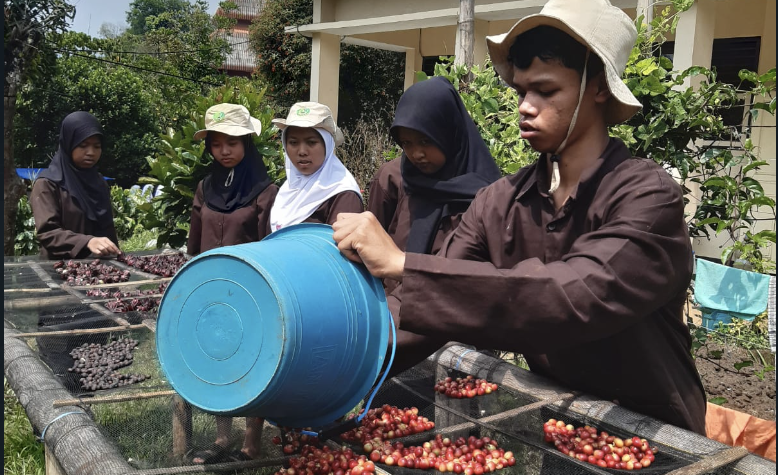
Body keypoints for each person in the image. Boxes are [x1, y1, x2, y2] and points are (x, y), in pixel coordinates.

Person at [333, 0, 707, 436]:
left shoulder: (646, 196)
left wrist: (401, 263)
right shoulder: (500, 202)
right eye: (521, 92)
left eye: (546, 92)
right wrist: (326, 366)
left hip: (656, 436)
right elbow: (425, 306)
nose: (526, 107)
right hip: (566, 425)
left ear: (599, 87)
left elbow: (576, 294)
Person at [186, 103, 279, 464]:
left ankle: (251, 442)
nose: (224, 151)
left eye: (233, 143)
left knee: (255, 364)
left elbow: (270, 246)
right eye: (216, 143)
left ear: (247, 145)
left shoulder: (264, 191)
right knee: (218, 363)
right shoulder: (205, 188)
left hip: (251, 293)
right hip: (210, 290)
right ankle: (223, 438)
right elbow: (195, 244)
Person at [367, 76, 501, 295]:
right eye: (407, 143)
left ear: (450, 132)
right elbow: (373, 248)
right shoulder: (394, 179)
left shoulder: (488, 196)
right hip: (390, 314)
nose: (417, 154)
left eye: (426, 141)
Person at [31, 111, 120, 260]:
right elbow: (48, 233)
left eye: (97, 146)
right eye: (83, 145)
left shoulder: (99, 183)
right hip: (60, 270)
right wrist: (87, 242)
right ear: (68, 144)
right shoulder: (47, 184)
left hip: (100, 271)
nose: (91, 152)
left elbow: (108, 230)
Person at [269, 101, 363, 232]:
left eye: (311, 142)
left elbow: (335, 248)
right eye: (293, 142)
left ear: (327, 145)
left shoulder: (342, 194)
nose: (302, 151)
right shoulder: (288, 189)